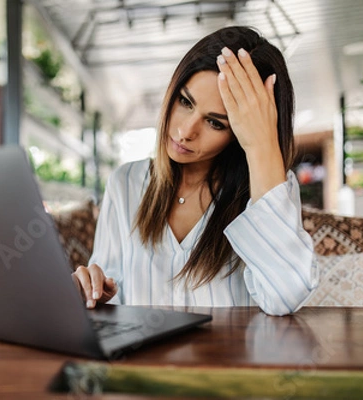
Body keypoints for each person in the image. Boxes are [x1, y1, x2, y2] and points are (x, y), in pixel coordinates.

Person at [72, 26, 318, 316]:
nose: (185, 131)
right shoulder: (125, 183)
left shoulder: (270, 188)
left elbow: (285, 297)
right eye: (185, 101)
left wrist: (262, 144)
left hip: (226, 361)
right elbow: (109, 293)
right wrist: (92, 288)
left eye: (216, 123)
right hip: (144, 360)